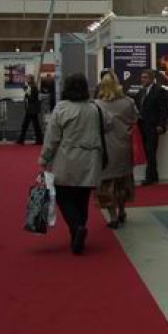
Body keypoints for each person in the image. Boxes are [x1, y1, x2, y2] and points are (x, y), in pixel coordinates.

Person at [40, 74, 111, 254]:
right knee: (82, 199)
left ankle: (76, 227)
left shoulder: (62, 108)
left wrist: (44, 157)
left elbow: (52, 137)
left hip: (67, 158)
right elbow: (109, 124)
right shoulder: (95, 108)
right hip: (90, 159)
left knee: (63, 196)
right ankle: (77, 236)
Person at [95, 71, 138, 228]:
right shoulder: (128, 102)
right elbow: (135, 119)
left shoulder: (97, 104)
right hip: (124, 146)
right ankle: (122, 210)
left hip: (105, 148)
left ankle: (112, 216)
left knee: (106, 183)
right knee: (123, 181)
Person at [133, 69, 168, 185]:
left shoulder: (159, 91)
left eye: (145, 77)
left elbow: (164, 110)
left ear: (152, 79)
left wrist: (161, 124)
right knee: (147, 152)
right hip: (142, 126)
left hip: (153, 127)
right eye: (142, 77)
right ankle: (154, 176)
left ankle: (149, 178)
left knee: (151, 151)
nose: (142, 80)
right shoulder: (141, 92)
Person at [16, 74, 43, 145]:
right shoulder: (32, 87)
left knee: (26, 125)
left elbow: (32, 98)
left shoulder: (33, 88)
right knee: (35, 125)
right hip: (32, 109)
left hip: (31, 109)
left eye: (27, 78)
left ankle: (21, 140)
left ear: (31, 79)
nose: (26, 79)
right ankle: (39, 140)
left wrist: (27, 93)